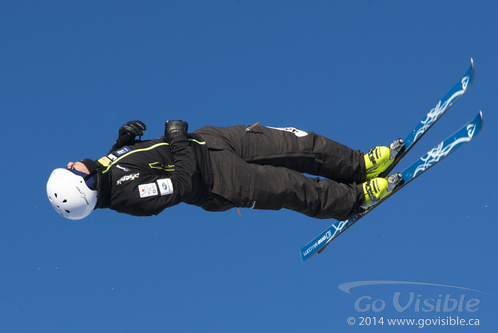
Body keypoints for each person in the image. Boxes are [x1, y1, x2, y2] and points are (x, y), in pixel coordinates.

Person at [46, 120, 400, 220]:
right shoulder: (130, 197)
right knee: (292, 187)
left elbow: (120, 162)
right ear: (85, 185)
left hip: (214, 141)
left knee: (296, 142)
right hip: (220, 180)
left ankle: (359, 165)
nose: (71, 163)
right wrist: (177, 139)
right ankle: (354, 199)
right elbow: (182, 184)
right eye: (72, 171)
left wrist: (123, 139)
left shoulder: (103, 170)